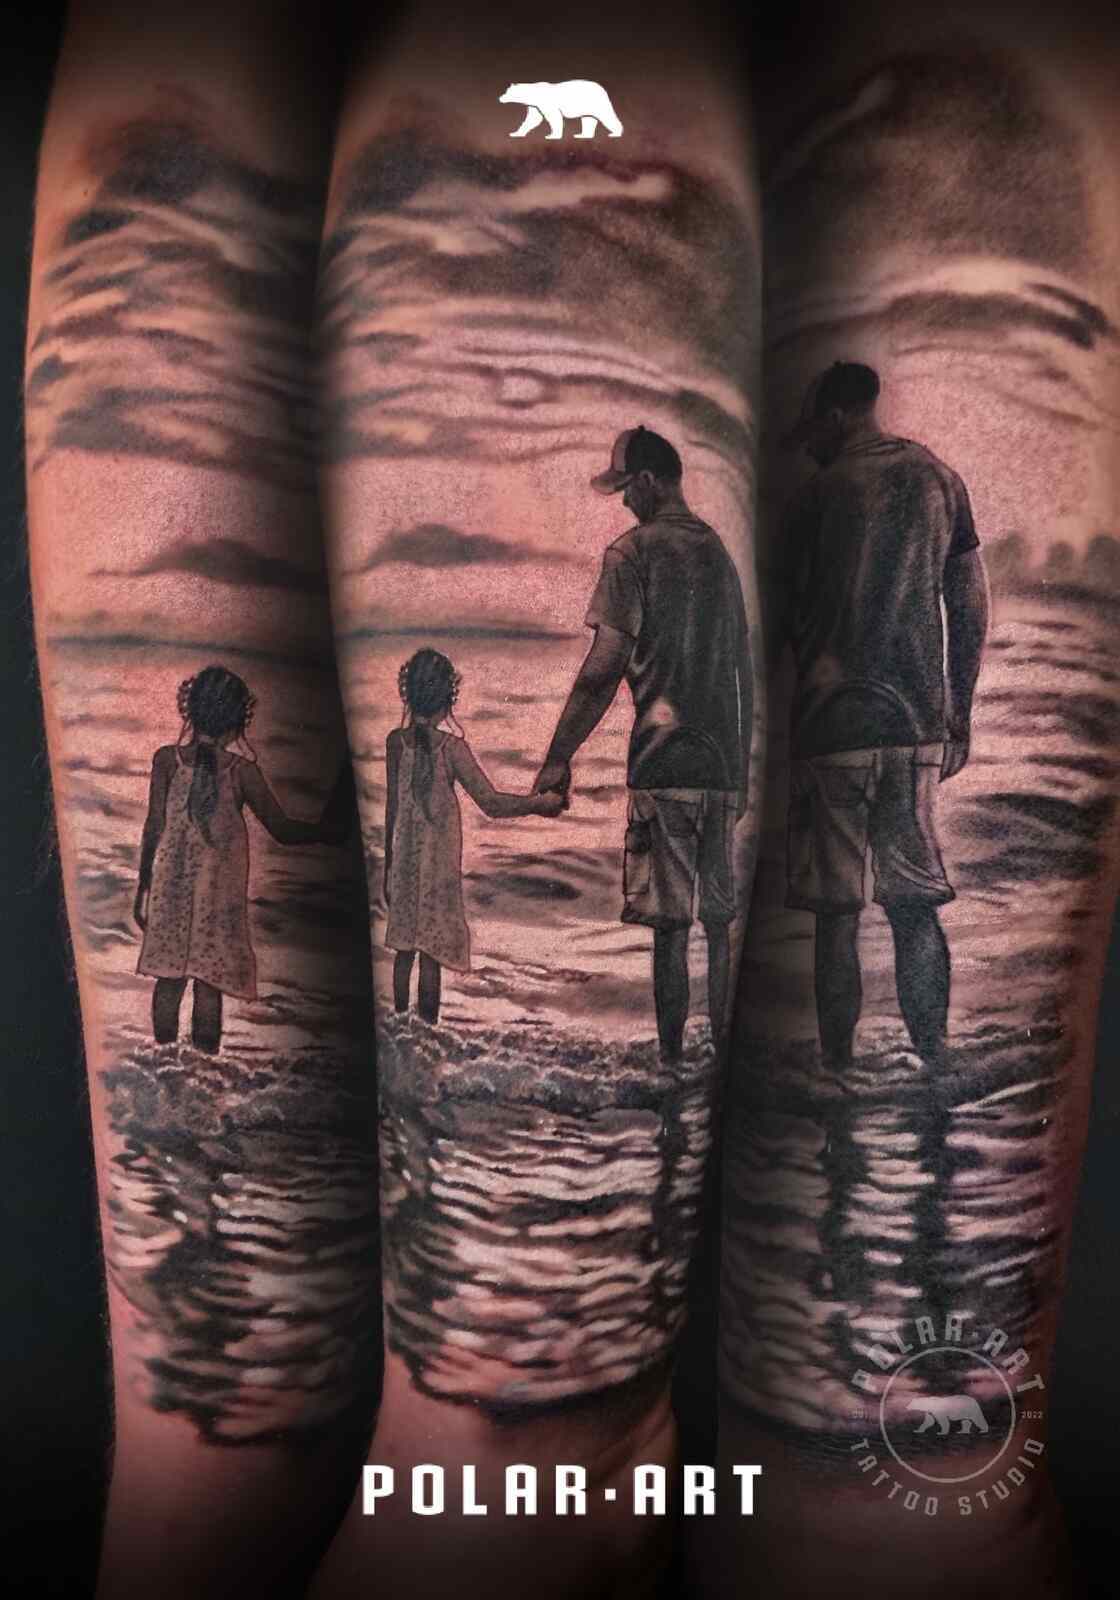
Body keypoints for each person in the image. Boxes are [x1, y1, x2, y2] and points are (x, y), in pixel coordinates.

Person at [776, 360, 989, 1073]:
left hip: (830, 730)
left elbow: (781, 623)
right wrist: (958, 711)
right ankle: (935, 1066)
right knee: (915, 905)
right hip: (913, 725)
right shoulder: (939, 480)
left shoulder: (813, 496)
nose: (812, 446)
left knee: (836, 915)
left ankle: (837, 1074)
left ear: (836, 417)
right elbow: (969, 603)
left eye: (815, 432)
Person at [534, 425, 751, 1063]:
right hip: (721, 770)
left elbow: (601, 671)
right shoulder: (719, 554)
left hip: (663, 764)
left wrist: (558, 757)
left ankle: (673, 1065)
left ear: (651, 482)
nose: (625, 502)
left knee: (669, 930)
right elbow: (744, 672)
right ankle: (723, 1058)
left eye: (627, 488)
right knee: (719, 927)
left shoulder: (631, 555)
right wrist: (740, 772)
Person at [134, 664, 351, 1053]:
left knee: (168, 980)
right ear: (237, 721)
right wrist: (327, 831)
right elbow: (283, 829)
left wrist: (143, 887)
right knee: (209, 985)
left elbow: (153, 828)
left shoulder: (167, 760)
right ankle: (204, 1070)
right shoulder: (241, 772)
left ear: (191, 710)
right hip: (218, 898)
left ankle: (163, 1066)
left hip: (170, 891)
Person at [385, 647, 564, 1024]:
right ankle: (427, 1031)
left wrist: (388, 868)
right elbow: (491, 803)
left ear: (408, 694)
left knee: (404, 949)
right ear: (448, 698)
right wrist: (537, 804)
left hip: (403, 864)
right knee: (430, 953)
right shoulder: (452, 749)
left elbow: (392, 810)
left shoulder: (395, 743)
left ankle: (398, 1028)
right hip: (438, 865)